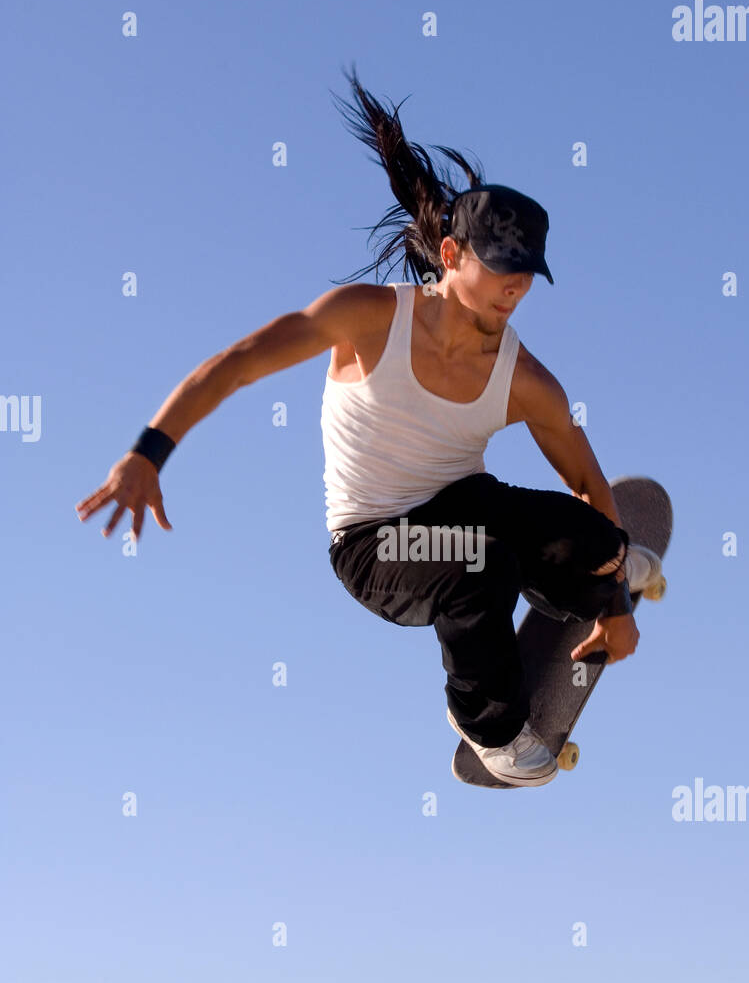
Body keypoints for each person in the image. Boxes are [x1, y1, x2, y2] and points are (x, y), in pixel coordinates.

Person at [76, 66, 661, 787]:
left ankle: (572, 588)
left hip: (463, 505)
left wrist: (613, 599)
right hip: (376, 543)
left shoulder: (526, 379)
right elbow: (235, 365)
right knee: (482, 568)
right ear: (451, 256)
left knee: (599, 540)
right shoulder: (366, 319)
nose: (513, 289)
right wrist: (148, 453)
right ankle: (489, 726)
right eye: (499, 269)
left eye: (525, 275)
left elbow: (584, 477)